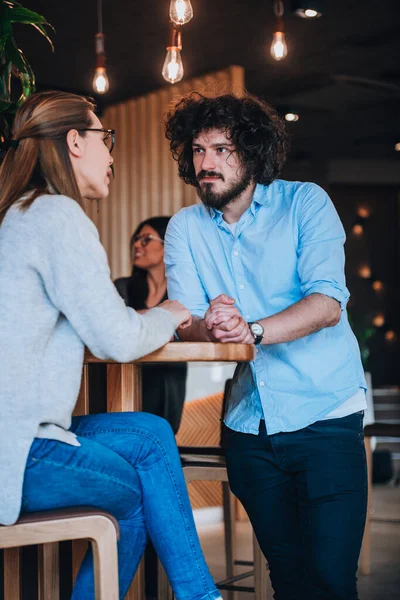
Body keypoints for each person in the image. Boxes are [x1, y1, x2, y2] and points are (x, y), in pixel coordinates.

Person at [0, 90, 222, 600]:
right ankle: (201, 596)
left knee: (147, 433)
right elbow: (118, 340)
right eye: (107, 138)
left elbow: (101, 322)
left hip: (23, 433)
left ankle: (199, 595)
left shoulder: (20, 214)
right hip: (19, 452)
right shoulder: (56, 216)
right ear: (75, 142)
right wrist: (168, 314)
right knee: (137, 495)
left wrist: (137, 318)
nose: (112, 153)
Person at [163, 91, 368, 600]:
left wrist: (250, 329)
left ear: (252, 153)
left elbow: (327, 303)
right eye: (197, 151)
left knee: (331, 581)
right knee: (289, 580)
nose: (206, 163)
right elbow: (184, 320)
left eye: (221, 150)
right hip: (248, 427)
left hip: (325, 413)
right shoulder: (186, 228)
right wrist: (210, 324)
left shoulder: (306, 202)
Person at [114, 216, 187, 433]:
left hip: (169, 375)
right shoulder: (122, 287)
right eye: (136, 239)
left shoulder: (182, 292)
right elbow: (112, 326)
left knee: (161, 434)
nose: (137, 244)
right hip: (125, 377)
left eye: (146, 239)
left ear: (168, 245)